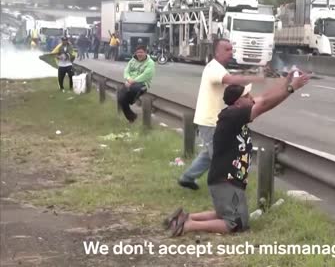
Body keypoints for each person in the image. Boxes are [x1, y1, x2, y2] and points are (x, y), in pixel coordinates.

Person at [165, 70, 310, 237]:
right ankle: (188, 226)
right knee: (236, 224)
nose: (251, 98)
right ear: (238, 102)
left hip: (229, 180)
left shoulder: (236, 114)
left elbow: (264, 98)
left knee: (228, 216)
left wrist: (285, 82)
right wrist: (291, 88)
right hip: (225, 180)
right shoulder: (233, 115)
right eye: (247, 96)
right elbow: (264, 105)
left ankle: (184, 218)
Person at [177, 38, 266, 190]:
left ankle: (187, 178)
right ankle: (224, 190)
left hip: (213, 120)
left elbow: (236, 87)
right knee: (219, 157)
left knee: (210, 153)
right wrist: (255, 78)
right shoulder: (214, 68)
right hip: (210, 120)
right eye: (227, 50)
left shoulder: (220, 68)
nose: (231, 53)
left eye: (232, 49)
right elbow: (231, 80)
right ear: (217, 52)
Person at [118, 45, 155, 122]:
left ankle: (130, 100)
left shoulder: (150, 62)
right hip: (130, 82)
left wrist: (133, 81)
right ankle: (132, 117)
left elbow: (146, 75)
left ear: (145, 52)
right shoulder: (132, 61)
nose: (139, 54)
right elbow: (126, 71)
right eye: (137, 52)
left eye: (141, 52)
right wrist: (128, 79)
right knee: (120, 97)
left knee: (132, 90)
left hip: (142, 83)